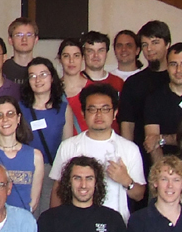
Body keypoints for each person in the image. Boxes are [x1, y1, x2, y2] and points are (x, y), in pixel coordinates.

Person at [49, 84, 145, 222]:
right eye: (92, 109)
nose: (99, 115)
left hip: (116, 224)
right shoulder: (68, 146)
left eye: (105, 109)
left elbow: (139, 195)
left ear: (115, 113)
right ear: (83, 113)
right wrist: (55, 222)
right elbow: (57, 190)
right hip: (75, 223)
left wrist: (125, 180)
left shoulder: (129, 148)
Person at [21, 57, 73, 215]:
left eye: (43, 74)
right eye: (32, 76)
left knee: (48, 215)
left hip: (53, 172)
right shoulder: (19, 108)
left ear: (52, 77)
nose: (38, 80)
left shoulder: (63, 109)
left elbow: (67, 146)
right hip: (25, 171)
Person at [118, 20, 171, 145]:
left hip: (179, 153)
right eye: (145, 44)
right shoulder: (133, 83)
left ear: (167, 44)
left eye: (155, 43)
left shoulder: (180, 80)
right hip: (142, 153)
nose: (149, 49)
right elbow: (127, 126)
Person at [58, 39, 89, 135]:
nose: (71, 61)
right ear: (60, 59)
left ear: (82, 58)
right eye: (66, 56)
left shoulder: (94, 89)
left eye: (76, 56)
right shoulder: (52, 90)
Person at [3, 17, 38, 86]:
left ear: (36, 40)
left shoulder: (42, 69)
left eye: (29, 35)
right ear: (10, 40)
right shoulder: (2, 70)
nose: (24, 39)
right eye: (19, 35)